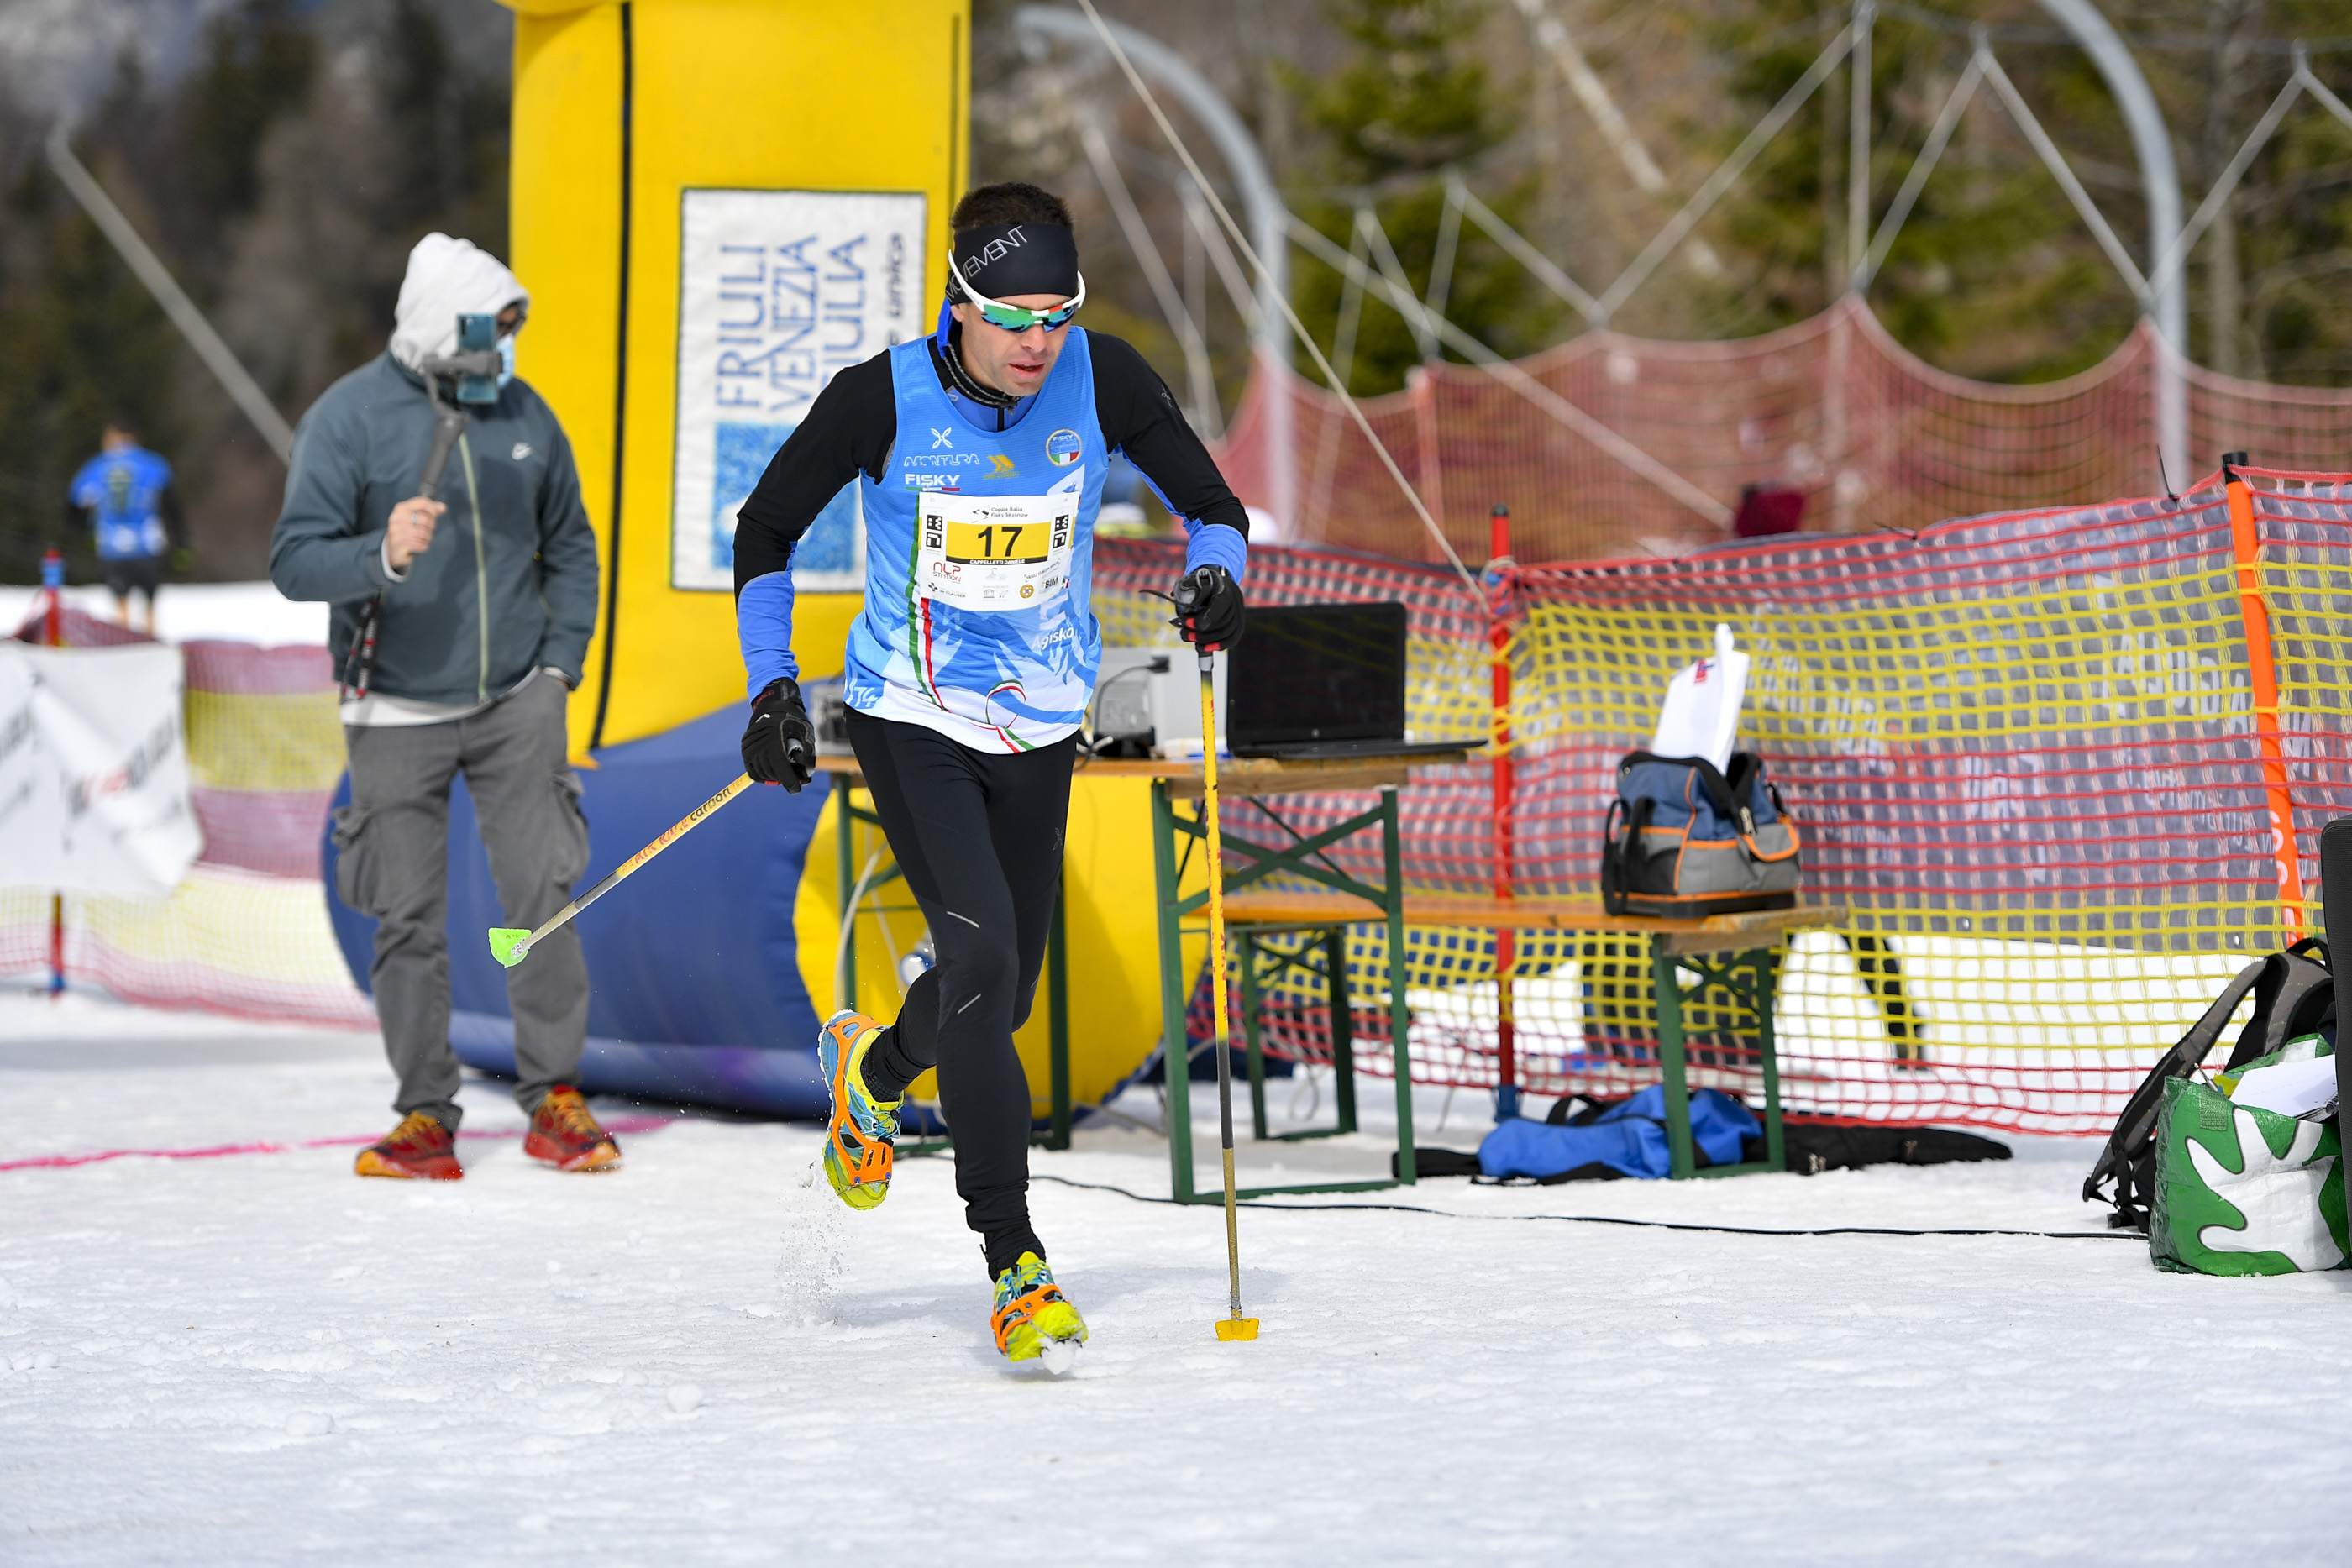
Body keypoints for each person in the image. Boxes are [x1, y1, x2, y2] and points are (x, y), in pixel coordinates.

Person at [732, 181, 1249, 1366]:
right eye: (1012, 314)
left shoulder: (1101, 377)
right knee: (978, 959)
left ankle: (872, 1074)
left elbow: (1212, 507)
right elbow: (767, 528)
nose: (1036, 340)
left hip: (1043, 724)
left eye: (1056, 313)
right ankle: (1014, 1261)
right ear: (958, 303)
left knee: (998, 1001)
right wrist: (772, 684)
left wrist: (1219, 572)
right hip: (912, 719)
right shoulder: (881, 399)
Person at [270, 233, 615, 1182]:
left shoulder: (523, 415)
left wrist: (556, 668)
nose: (499, 354)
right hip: (390, 708)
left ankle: (555, 1095)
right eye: (485, 331)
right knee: (405, 917)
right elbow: (294, 559)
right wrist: (375, 553)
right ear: (436, 324)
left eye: (509, 332)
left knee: (539, 898)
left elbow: (573, 546)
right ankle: (425, 1114)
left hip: (517, 704)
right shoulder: (348, 418)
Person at [66, 418, 186, 633]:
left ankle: (125, 648)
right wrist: (183, 543)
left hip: (112, 549)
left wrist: (87, 531)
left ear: (111, 436)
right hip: (148, 547)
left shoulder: (96, 466)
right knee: (149, 607)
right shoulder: (153, 464)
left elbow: (74, 504)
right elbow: (173, 507)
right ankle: (150, 646)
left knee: (121, 610)